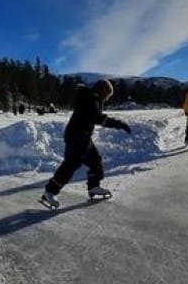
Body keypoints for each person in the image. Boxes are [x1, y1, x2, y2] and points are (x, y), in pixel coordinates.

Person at [41, 79, 132, 209]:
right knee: (71, 164)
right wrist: (119, 124)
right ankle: (50, 192)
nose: (107, 99)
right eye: (107, 96)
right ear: (102, 92)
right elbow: (98, 118)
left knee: (95, 160)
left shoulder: (91, 97)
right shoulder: (89, 99)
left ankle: (94, 186)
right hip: (76, 136)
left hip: (83, 136)